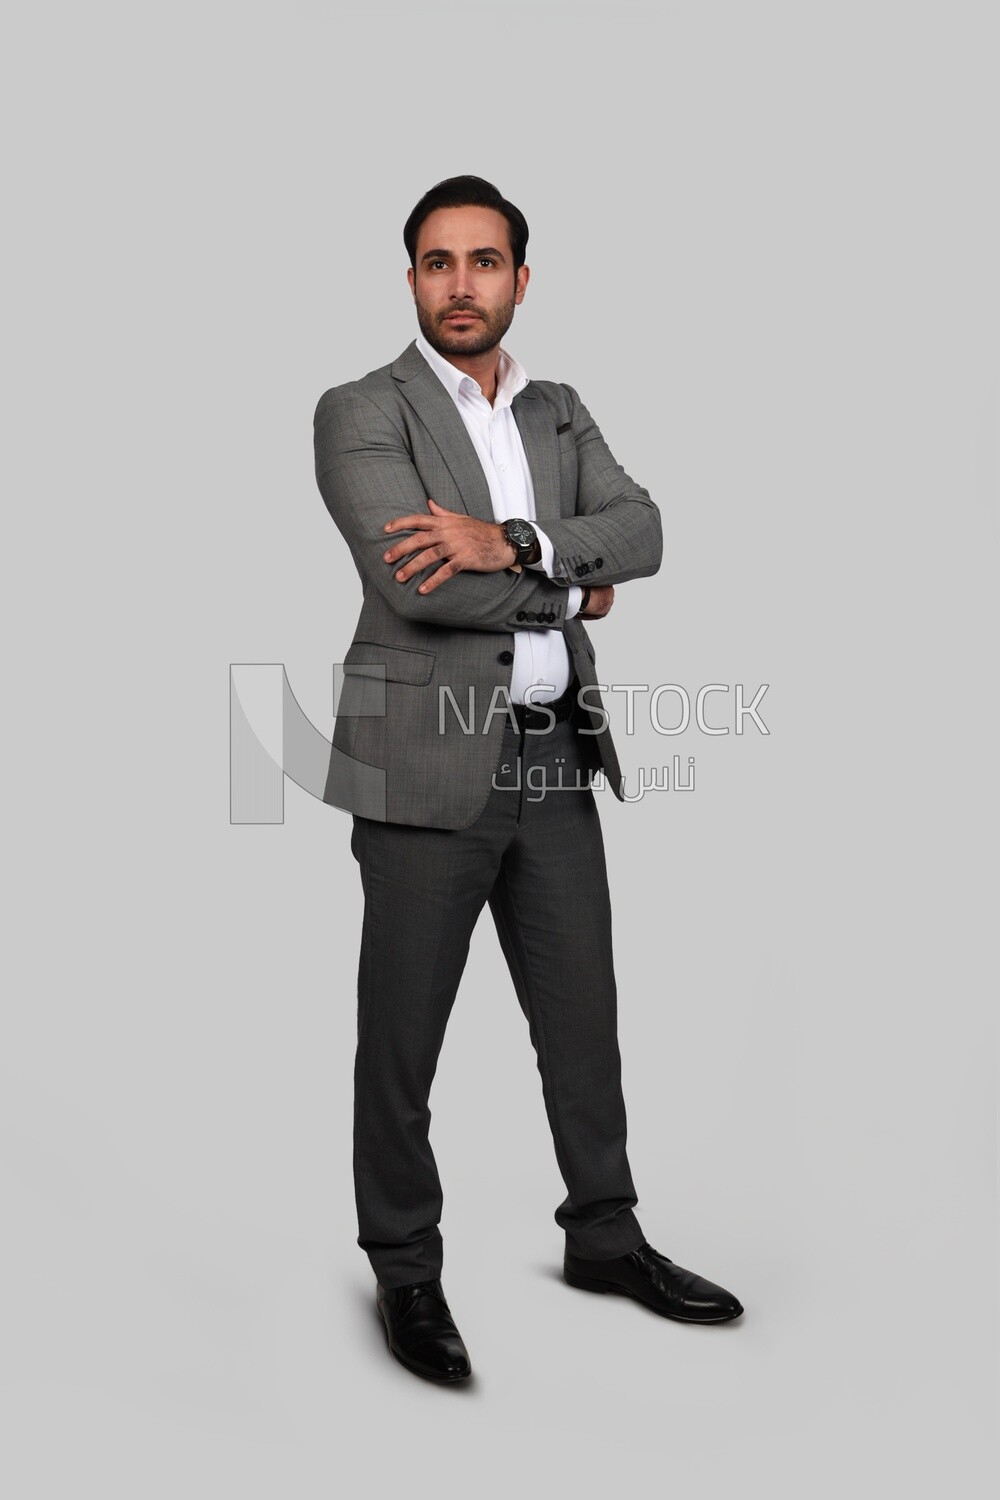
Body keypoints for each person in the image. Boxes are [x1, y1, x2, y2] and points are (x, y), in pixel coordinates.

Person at [313, 175, 743, 1383]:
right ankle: (405, 1271)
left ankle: (604, 1237)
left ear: (519, 277)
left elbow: (645, 528)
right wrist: (575, 586)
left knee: (581, 1019)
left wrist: (508, 540)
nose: (462, 284)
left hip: (552, 755)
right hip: (420, 760)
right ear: (410, 279)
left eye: (485, 262)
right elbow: (416, 587)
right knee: (403, 1037)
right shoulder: (361, 409)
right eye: (438, 263)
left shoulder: (558, 411)